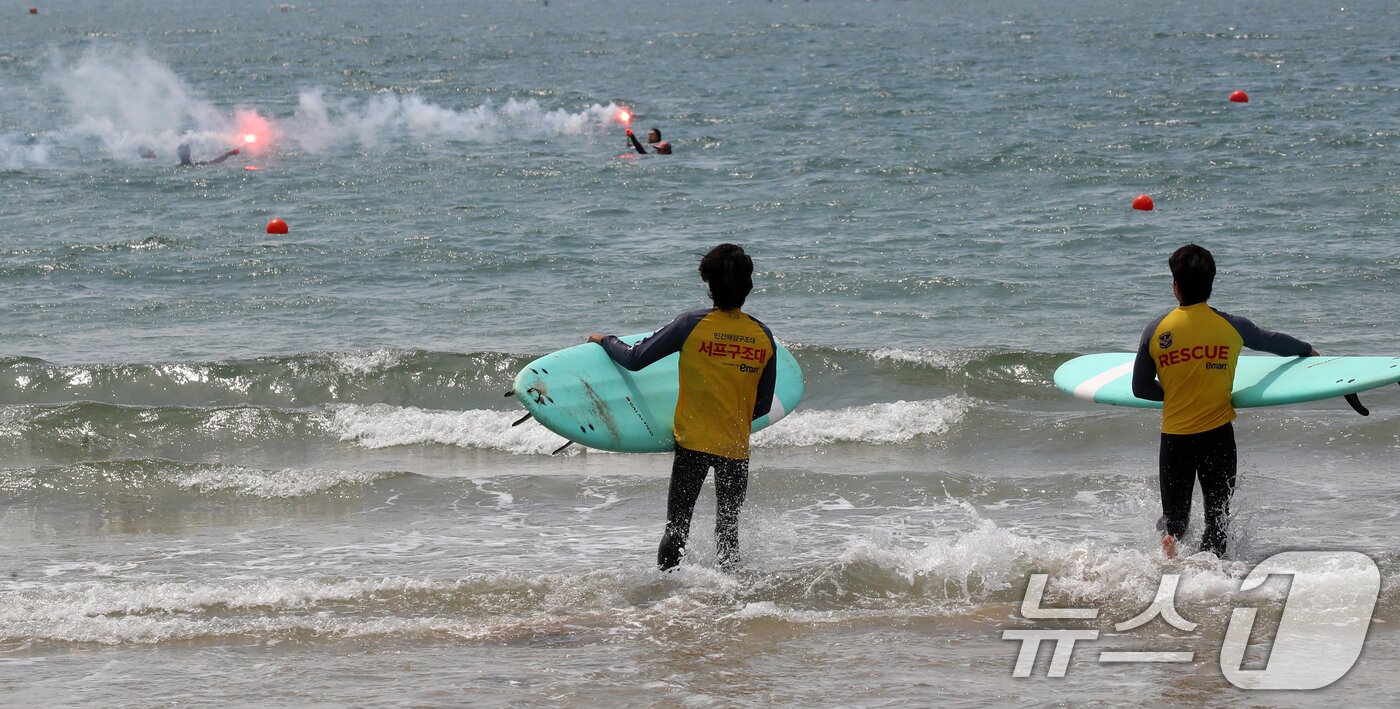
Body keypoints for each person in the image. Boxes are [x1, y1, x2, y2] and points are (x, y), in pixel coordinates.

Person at [588, 244, 776, 570]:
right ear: (748, 288)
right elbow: (761, 405)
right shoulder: (763, 337)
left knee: (677, 530)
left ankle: (667, 599)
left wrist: (606, 340)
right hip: (734, 449)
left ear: (709, 286)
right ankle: (735, 600)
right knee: (728, 534)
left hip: (693, 446)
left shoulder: (691, 325)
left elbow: (635, 359)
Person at [1131, 244, 1318, 559]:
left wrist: (1175, 393)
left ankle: (1170, 554)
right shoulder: (1233, 326)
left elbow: (1140, 387)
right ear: (1212, 284)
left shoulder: (1156, 330)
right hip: (1217, 436)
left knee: (1175, 521)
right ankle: (1217, 582)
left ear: (1175, 287)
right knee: (1217, 521)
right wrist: (1307, 350)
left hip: (1175, 439)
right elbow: (1273, 341)